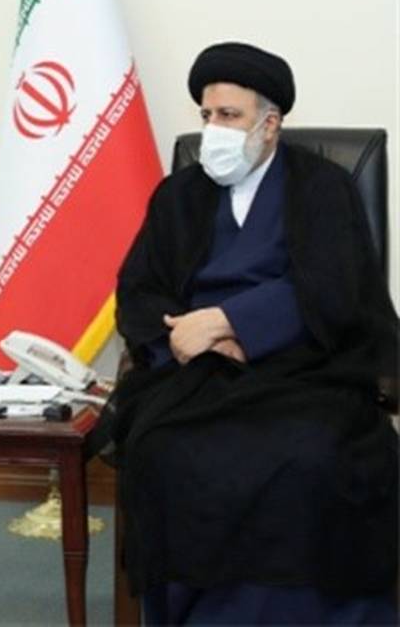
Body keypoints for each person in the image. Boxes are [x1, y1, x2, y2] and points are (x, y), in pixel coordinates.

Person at [109, 42, 398, 624]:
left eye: (229, 115)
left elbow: (335, 287)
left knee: (313, 455)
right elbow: (140, 292)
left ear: (270, 124)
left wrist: (233, 321)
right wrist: (196, 340)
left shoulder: (323, 187)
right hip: (197, 374)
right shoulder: (178, 195)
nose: (213, 130)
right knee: (166, 452)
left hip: (304, 368)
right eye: (206, 115)